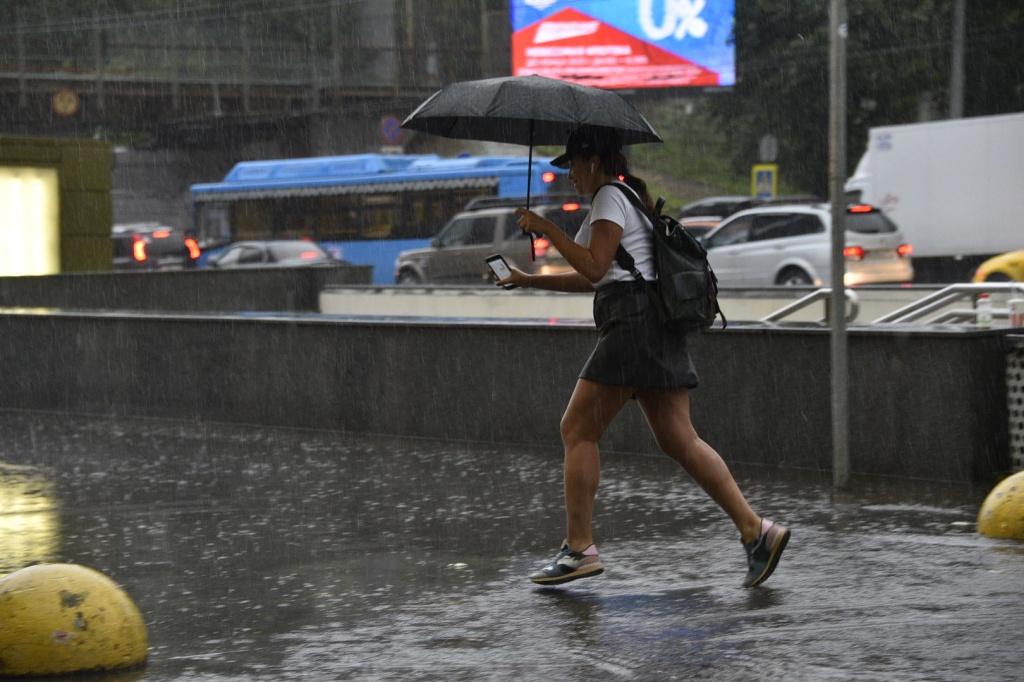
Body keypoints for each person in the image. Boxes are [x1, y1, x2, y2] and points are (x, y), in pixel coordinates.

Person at [497, 125, 790, 588]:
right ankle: (758, 532)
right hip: (655, 326)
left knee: (577, 428)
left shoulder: (611, 197)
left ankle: (579, 549)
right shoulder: (621, 198)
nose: (570, 173)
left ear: (593, 160)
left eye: (573, 163)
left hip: (632, 326)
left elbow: (594, 267)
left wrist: (547, 228)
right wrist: (527, 280)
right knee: (680, 440)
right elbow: (597, 275)